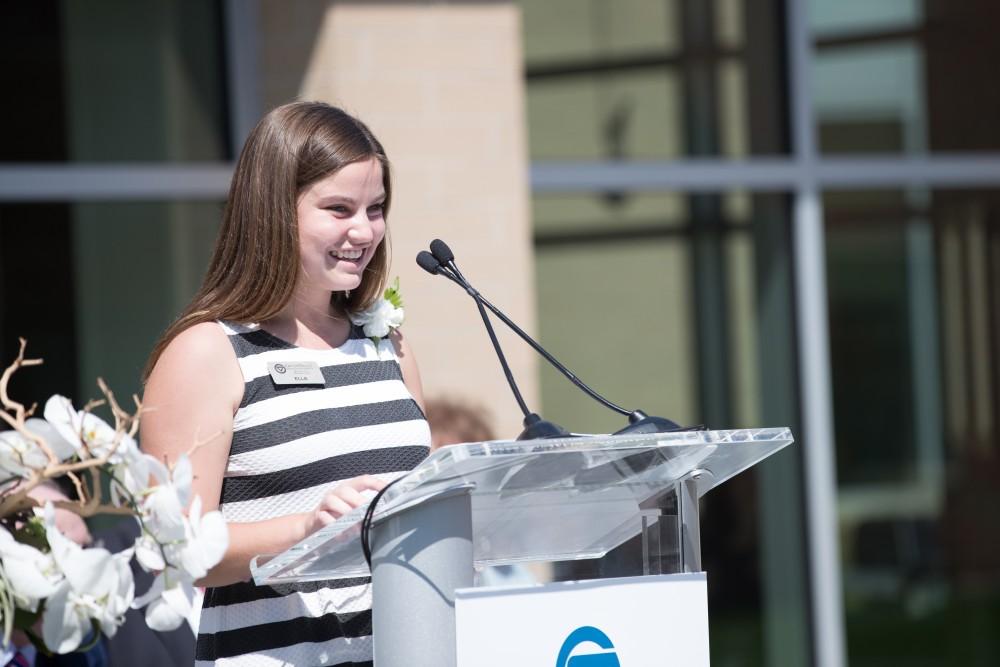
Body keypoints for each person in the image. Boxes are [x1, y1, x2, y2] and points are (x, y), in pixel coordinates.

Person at [140, 102, 431, 666]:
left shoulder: (387, 346)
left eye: (376, 209)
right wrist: (307, 527)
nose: (363, 231)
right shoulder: (207, 352)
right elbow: (171, 547)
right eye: (338, 208)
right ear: (272, 211)